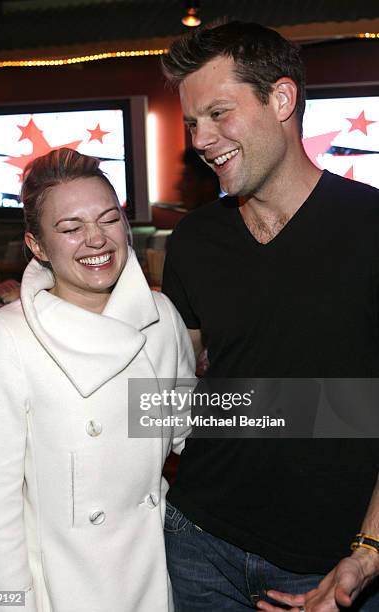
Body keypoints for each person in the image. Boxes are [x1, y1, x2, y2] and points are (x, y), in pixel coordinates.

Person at [160, 19, 379, 612]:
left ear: (282, 99)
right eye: (192, 123)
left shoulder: (370, 227)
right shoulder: (194, 241)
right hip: (196, 544)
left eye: (218, 114)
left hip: (331, 567)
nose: (201, 139)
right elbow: (171, 386)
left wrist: (368, 551)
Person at [0, 148, 195, 612]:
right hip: (61, 588)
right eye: (70, 229)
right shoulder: (9, 337)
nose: (96, 240)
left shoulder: (160, 318)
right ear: (37, 245)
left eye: (109, 220)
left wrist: (319, 412)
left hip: (151, 575)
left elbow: (185, 432)